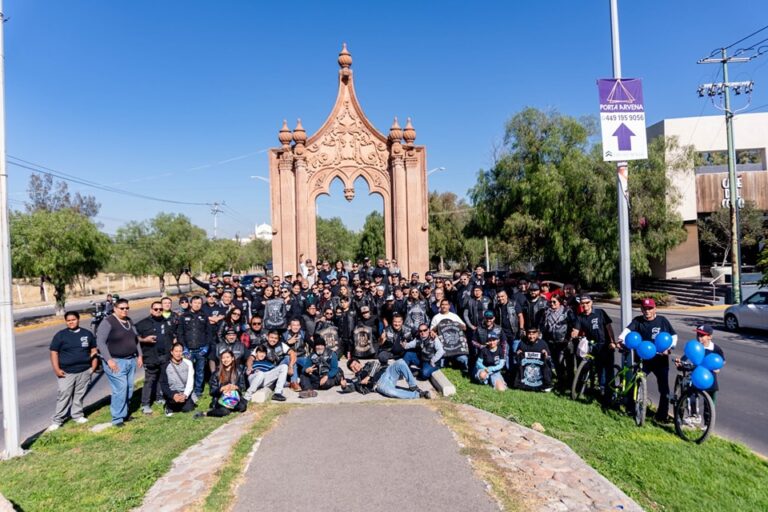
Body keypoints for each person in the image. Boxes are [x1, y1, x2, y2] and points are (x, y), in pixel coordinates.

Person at [619, 298, 677, 422]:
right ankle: (631, 408)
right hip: (642, 359)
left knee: (664, 389)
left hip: (660, 360)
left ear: (655, 308)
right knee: (635, 382)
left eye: (650, 308)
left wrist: (669, 347)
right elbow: (627, 331)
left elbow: (673, 335)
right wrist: (621, 339)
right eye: (645, 309)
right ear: (641, 309)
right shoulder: (637, 321)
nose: (647, 311)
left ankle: (662, 416)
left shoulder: (662, 321)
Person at [96, 298, 143, 427]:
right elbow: (100, 342)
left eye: (127, 308)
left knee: (129, 388)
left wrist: (140, 355)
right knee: (120, 389)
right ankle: (117, 418)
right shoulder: (108, 322)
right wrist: (109, 360)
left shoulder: (129, 321)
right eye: (122, 308)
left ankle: (125, 413)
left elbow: (135, 339)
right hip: (115, 362)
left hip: (130, 360)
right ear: (115, 308)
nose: (125, 310)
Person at [47, 311, 98, 431]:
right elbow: (53, 352)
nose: (71, 322)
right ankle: (57, 420)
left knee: (79, 395)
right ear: (66, 321)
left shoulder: (87, 334)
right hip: (66, 372)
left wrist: (93, 367)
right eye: (68, 320)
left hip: (84, 370)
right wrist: (56, 369)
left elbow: (94, 350)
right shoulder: (60, 335)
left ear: (78, 319)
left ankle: (77, 415)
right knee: (64, 395)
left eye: (73, 319)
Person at [570, 295, 615, 402]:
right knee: (598, 368)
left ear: (591, 303)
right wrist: (573, 334)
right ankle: (598, 389)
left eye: (587, 303)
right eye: (582, 303)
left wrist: (613, 342)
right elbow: (576, 330)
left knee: (608, 370)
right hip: (593, 345)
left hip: (606, 344)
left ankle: (609, 394)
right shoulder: (580, 317)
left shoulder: (600, 312)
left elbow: (609, 328)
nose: (585, 305)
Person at [135, 301, 175, 415]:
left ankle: (159, 397)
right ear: (151, 310)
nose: (158, 311)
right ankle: (145, 404)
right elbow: (133, 338)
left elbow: (172, 336)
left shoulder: (167, 322)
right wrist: (144, 340)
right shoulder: (142, 324)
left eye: (160, 309)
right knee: (149, 380)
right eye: (156, 309)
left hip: (165, 355)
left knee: (162, 378)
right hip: (150, 356)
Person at [176, 296, 213, 401]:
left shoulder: (204, 316)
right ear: (190, 303)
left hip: (201, 349)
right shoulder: (183, 316)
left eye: (199, 303)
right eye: (195, 302)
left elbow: (209, 333)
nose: (197, 305)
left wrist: (206, 347)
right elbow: (180, 333)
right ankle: (188, 391)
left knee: (200, 371)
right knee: (188, 372)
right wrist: (184, 348)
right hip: (189, 350)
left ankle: (198, 391)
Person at [676, 324, 725, 403]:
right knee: (691, 392)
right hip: (696, 375)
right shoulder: (695, 346)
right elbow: (686, 357)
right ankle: (693, 412)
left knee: (711, 397)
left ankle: (709, 413)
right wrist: (680, 362)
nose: (699, 337)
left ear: (710, 337)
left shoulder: (715, 348)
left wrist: (718, 368)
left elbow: (722, 361)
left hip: (709, 377)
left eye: (702, 335)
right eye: (698, 335)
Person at [344, 358, 431, 400]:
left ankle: (413, 386)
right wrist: (344, 386)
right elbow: (351, 387)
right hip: (380, 384)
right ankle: (419, 395)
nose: (355, 367)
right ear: (352, 370)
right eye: (353, 367)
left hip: (387, 372)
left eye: (355, 364)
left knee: (400, 362)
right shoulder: (357, 379)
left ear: (359, 362)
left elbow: (377, 364)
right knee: (392, 392)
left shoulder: (369, 364)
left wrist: (369, 376)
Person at [201, 350, 248, 417]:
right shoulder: (216, 373)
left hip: (234, 397)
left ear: (232, 358)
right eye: (223, 358)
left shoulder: (238, 371)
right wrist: (221, 389)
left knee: (242, 407)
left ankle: (230, 407)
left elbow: (243, 387)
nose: (225, 360)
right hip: (221, 398)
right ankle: (207, 413)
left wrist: (235, 387)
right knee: (224, 412)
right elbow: (212, 392)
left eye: (227, 357)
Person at [540, 294, 571, 390]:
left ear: (559, 302)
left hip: (564, 342)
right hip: (552, 342)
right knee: (557, 363)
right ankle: (561, 382)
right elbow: (543, 326)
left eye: (554, 302)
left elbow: (573, 324)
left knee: (566, 363)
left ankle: (570, 383)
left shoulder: (566, 312)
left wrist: (569, 338)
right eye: (550, 302)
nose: (552, 304)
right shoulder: (547, 312)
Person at [160, 343, 196, 416]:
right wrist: (173, 395)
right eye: (176, 351)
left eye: (180, 351)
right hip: (172, 392)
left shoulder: (188, 363)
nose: (178, 354)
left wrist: (185, 395)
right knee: (174, 404)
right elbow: (163, 384)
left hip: (184, 392)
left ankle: (181, 403)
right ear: (172, 352)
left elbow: (190, 381)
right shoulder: (165, 366)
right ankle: (169, 405)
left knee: (188, 409)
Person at [514, 326, 552, 392]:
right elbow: (517, 359)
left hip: (539, 373)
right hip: (527, 375)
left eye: (533, 334)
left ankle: (546, 384)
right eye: (529, 334)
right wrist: (517, 354)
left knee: (546, 366)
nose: (531, 336)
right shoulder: (522, 343)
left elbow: (549, 358)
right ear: (526, 334)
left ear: (537, 334)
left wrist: (546, 355)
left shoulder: (543, 343)